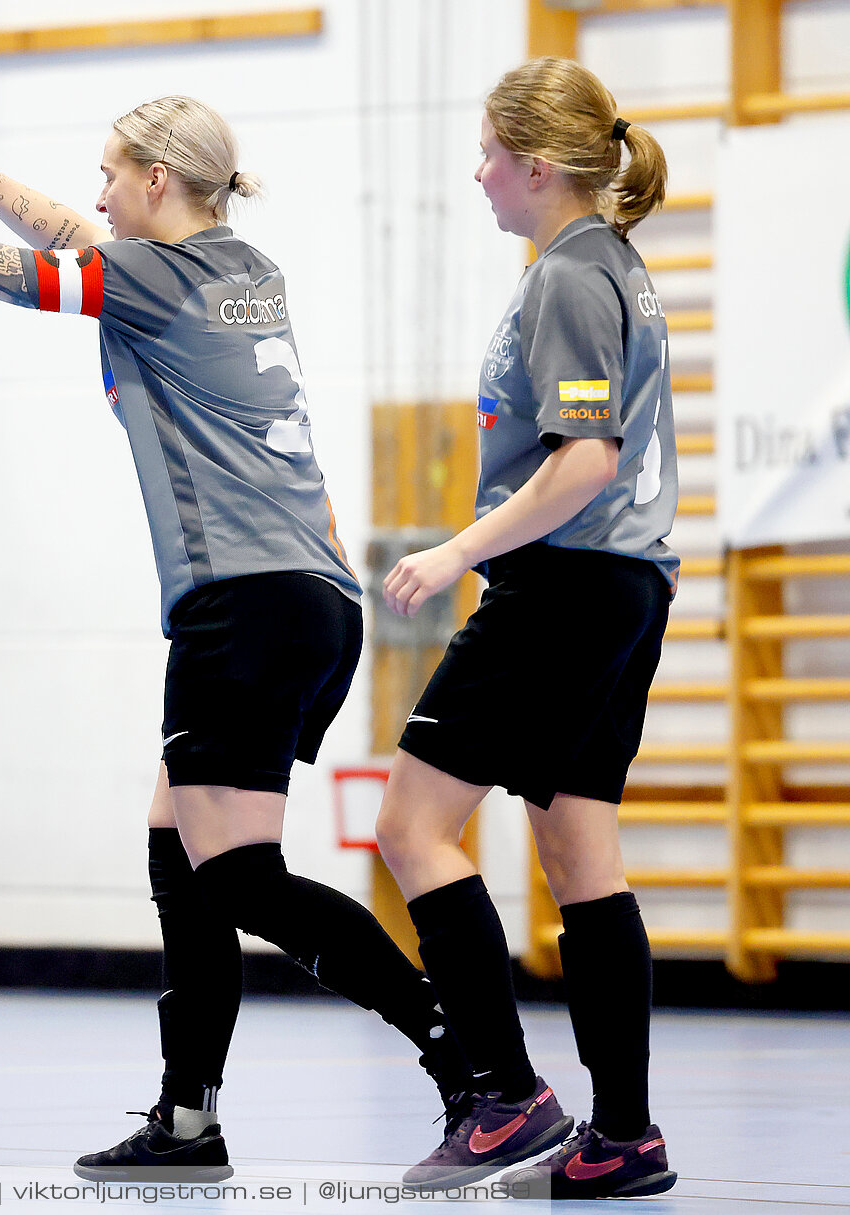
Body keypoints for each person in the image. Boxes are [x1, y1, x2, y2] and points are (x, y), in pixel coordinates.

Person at [0, 65, 475, 1180]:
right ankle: (187, 1119)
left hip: (241, 603)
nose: (94, 196)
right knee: (178, 849)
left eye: (109, 177)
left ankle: (464, 1058)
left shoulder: (146, 278)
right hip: (311, 599)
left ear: (156, 180)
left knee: (240, 876)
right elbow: (76, 234)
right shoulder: (245, 268)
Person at [375, 57, 678, 1199]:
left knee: (413, 824)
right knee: (578, 842)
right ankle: (627, 1136)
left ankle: (505, 1098)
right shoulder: (618, 267)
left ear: (538, 168)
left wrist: (459, 549)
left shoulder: (567, 275)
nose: (481, 174)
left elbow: (587, 460)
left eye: (493, 156)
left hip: (565, 581)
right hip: (631, 584)